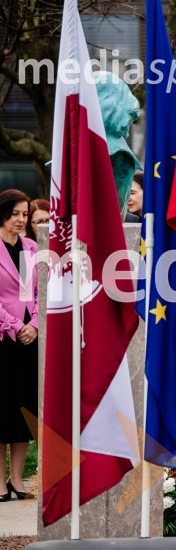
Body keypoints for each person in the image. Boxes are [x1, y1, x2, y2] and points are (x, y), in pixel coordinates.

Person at [0, 189, 39, 501]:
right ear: (3, 215)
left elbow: (38, 293)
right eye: (15, 214)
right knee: (1, 413)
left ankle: (17, 479)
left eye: (25, 214)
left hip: (28, 342)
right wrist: (14, 327)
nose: (21, 220)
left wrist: (35, 325)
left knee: (24, 412)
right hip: (3, 340)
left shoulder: (31, 249)